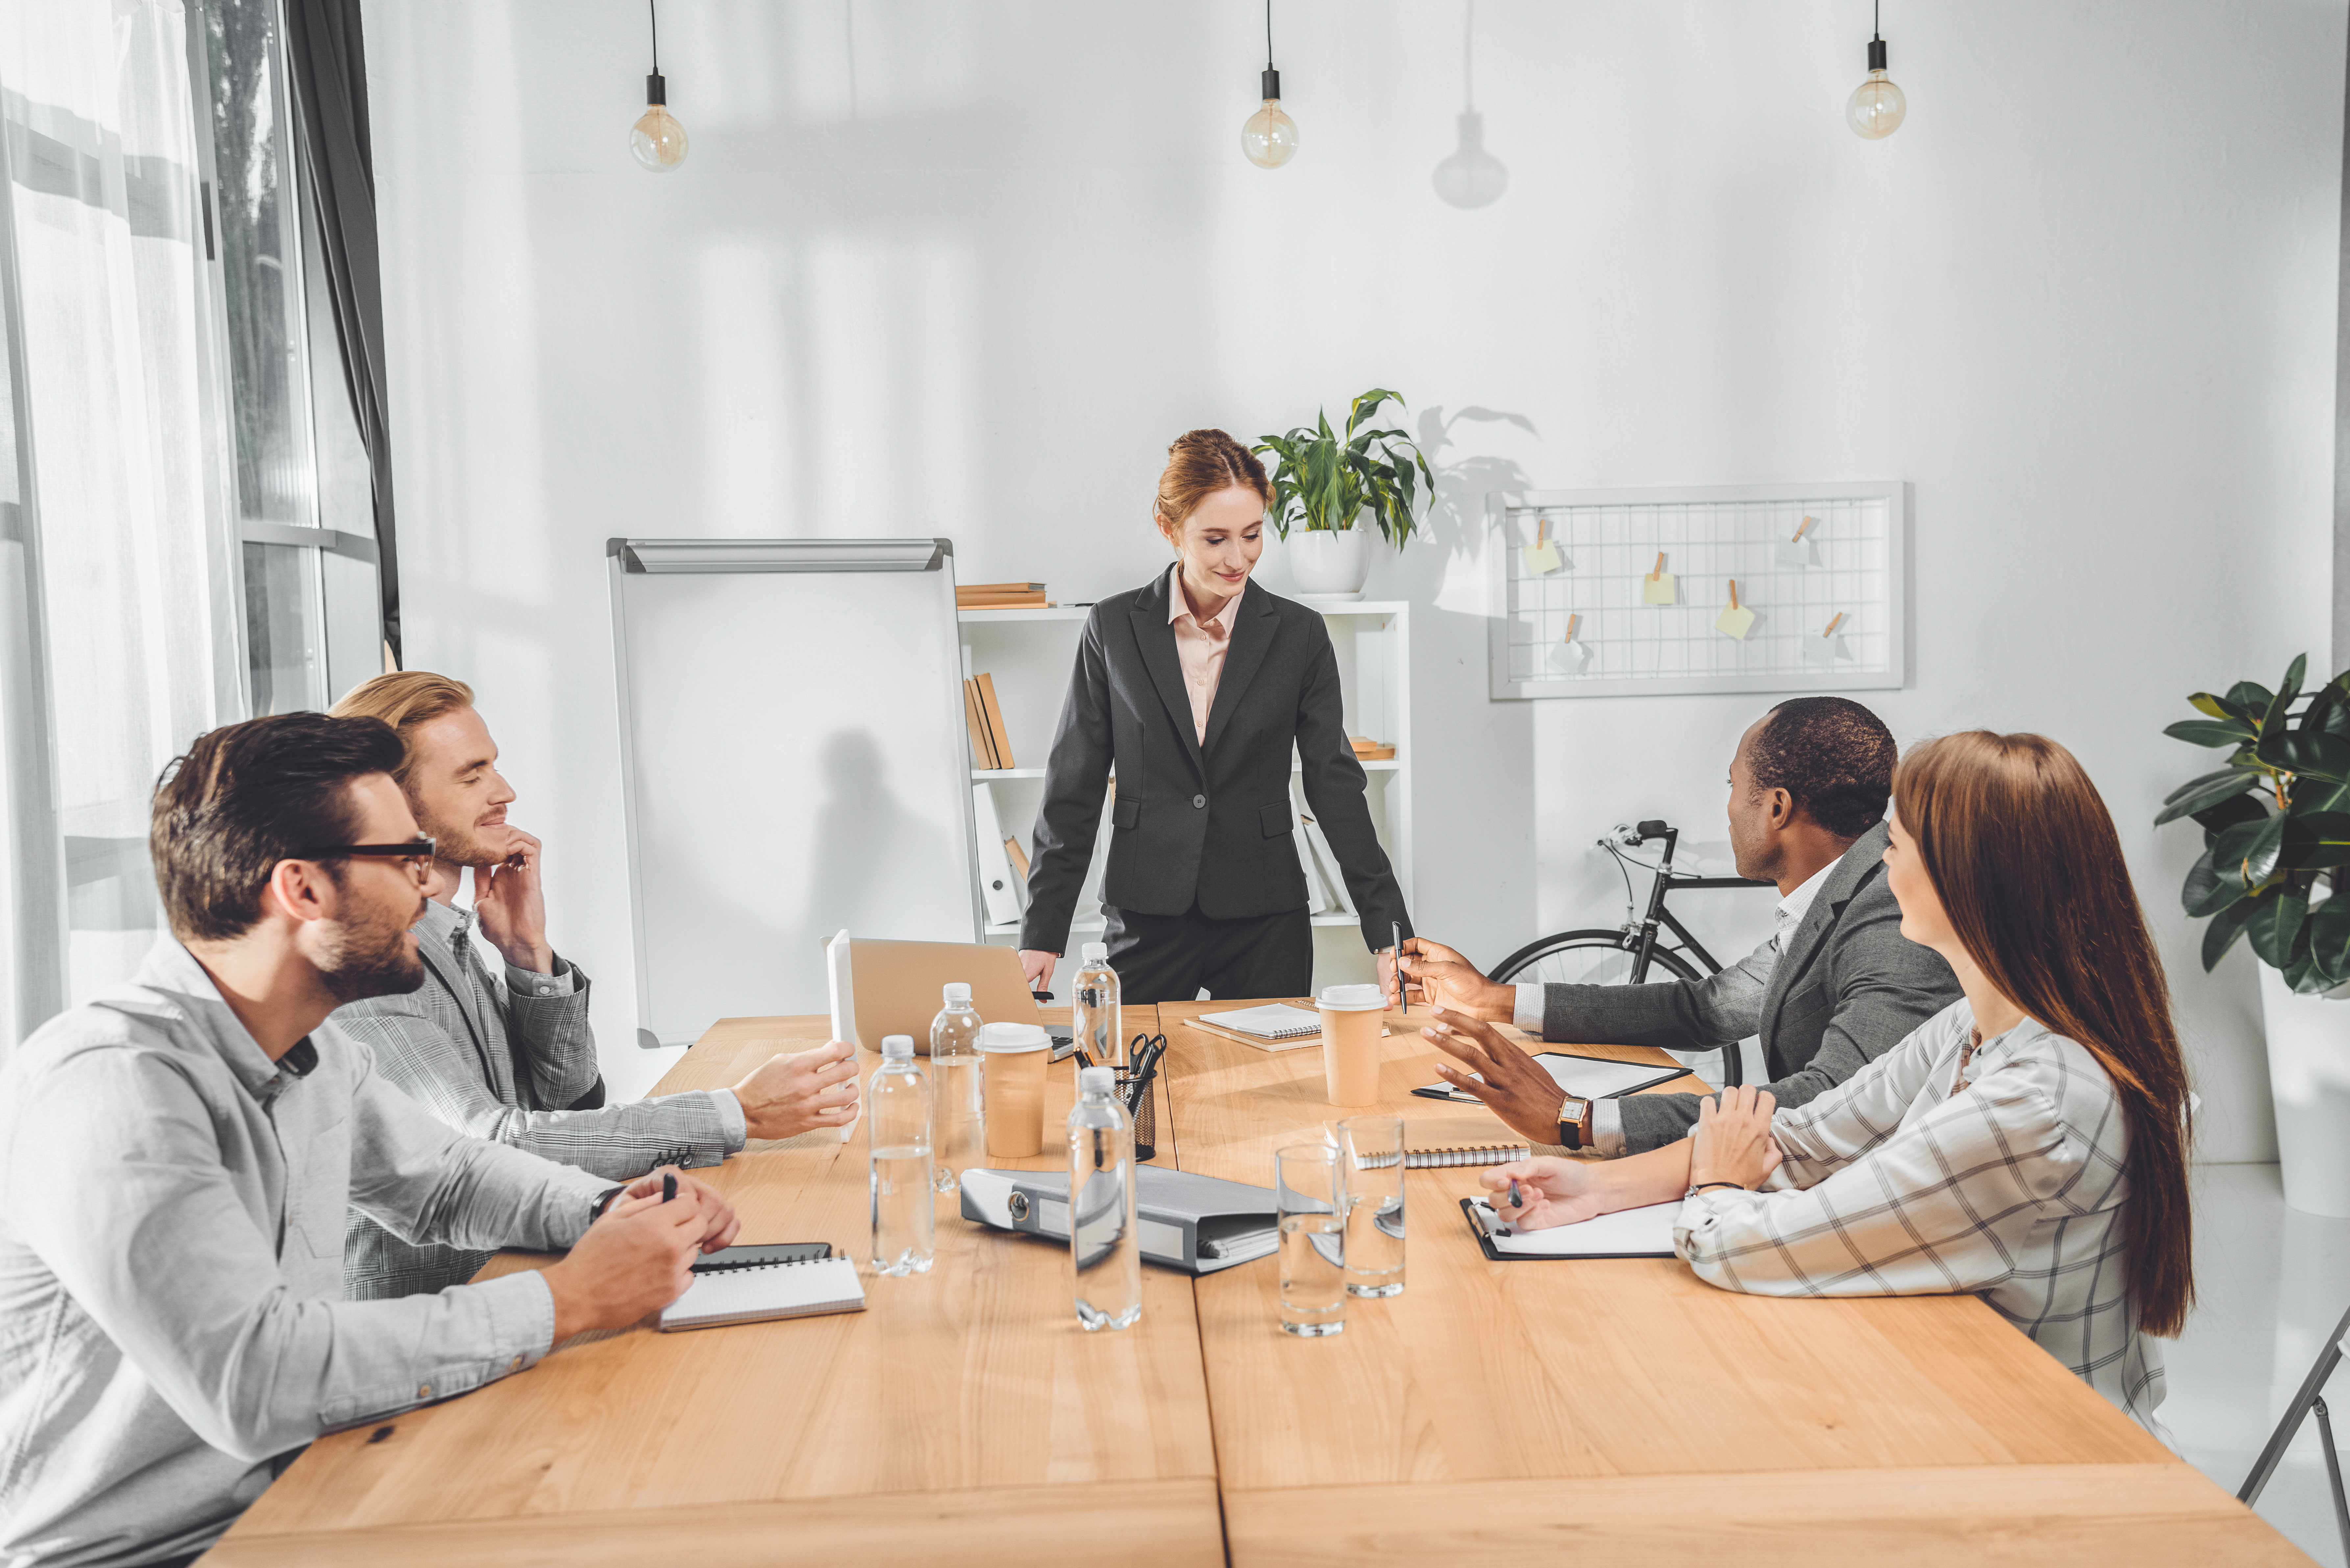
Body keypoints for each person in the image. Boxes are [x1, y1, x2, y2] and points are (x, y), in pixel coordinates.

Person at [0, 713, 738, 1568]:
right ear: (302, 890)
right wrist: (569, 1299)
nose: (428, 891)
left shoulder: (314, 1052)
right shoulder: (115, 1083)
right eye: (404, 861)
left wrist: (615, 1208)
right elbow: (259, 1378)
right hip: (164, 1552)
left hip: (313, 1493)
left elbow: (450, 1181)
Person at [1464, 731, 2194, 1435]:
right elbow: (1803, 1135)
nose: (1880, 866)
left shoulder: (2029, 1107)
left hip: (2045, 1451)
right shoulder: (1978, 1028)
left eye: (1896, 846)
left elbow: (1737, 1246)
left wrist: (1717, 1182)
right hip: (1966, 1401)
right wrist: (1596, 1189)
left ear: (1964, 880)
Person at [327, 672, 857, 1300]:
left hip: (525, 1266)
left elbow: (570, 1104)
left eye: (494, 765)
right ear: (385, 801)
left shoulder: (454, 935)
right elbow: (491, 1145)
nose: (505, 791)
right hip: (440, 1311)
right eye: (471, 776)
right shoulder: (369, 961)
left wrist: (529, 956)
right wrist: (736, 1112)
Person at [1398, 697, 1958, 1156]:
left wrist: (1581, 1117)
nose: (1730, 807)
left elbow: (1830, 1102)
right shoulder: (1843, 890)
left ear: (1778, 808)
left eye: (1734, 785)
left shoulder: (1889, 914)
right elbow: (1705, 1009)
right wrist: (1494, 1000)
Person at [1017, 429, 1410, 1003]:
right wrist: (1041, 933)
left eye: (1252, 536)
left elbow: (1335, 784)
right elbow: (1073, 786)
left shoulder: (1300, 636)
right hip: (1145, 910)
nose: (1238, 558)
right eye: (1215, 539)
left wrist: (1388, 935)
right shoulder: (1113, 628)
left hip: (1264, 915)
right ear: (1169, 529)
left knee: (1273, 1089)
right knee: (1134, 1085)